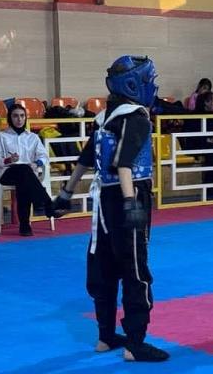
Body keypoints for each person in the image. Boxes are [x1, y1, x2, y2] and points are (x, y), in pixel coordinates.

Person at [52, 56, 169, 362]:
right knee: (135, 269)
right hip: (129, 195)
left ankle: (105, 336)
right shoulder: (136, 117)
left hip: (104, 202)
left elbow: (86, 158)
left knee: (104, 265)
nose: (152, 87)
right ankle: (135, 344)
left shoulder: (104, 117)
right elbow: (124, 163)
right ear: (133, 85)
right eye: (148, 81)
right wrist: (131, 204)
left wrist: (65, 194)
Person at [0, 104, 57, 236]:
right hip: (7, 172)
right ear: (10, 118)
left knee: (24, 179)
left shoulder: (33, 137)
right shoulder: (1, 136)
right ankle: (47, 204)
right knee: (23, 170)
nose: (19, 119)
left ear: (26, 117)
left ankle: (25, 226)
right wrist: (8, 160)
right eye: (15, 116)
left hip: (28, 174)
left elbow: (44, 156)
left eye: (22, 116)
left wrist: (36, 163)